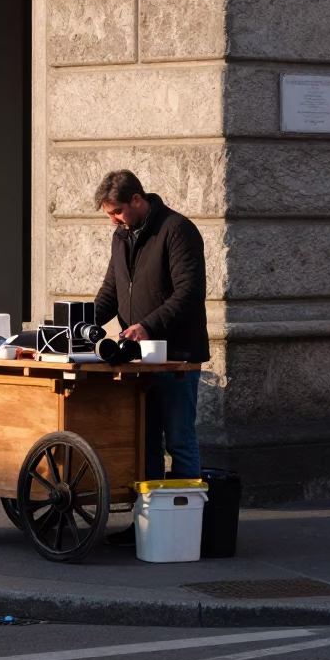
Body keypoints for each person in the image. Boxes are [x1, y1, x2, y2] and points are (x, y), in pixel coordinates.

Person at [93, 169, 209, 545]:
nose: (114, 219)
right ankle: (148, 526)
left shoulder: (177, 230)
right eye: (110, 215)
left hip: (176, 356)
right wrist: (80, 325)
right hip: (138, 361)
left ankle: (188, 528)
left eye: (117, 212)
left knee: (179, 439)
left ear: (138, 201)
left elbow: (189, 292)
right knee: (145, 444)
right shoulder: (121, 236)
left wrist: (147, 325)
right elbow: (111, 290)